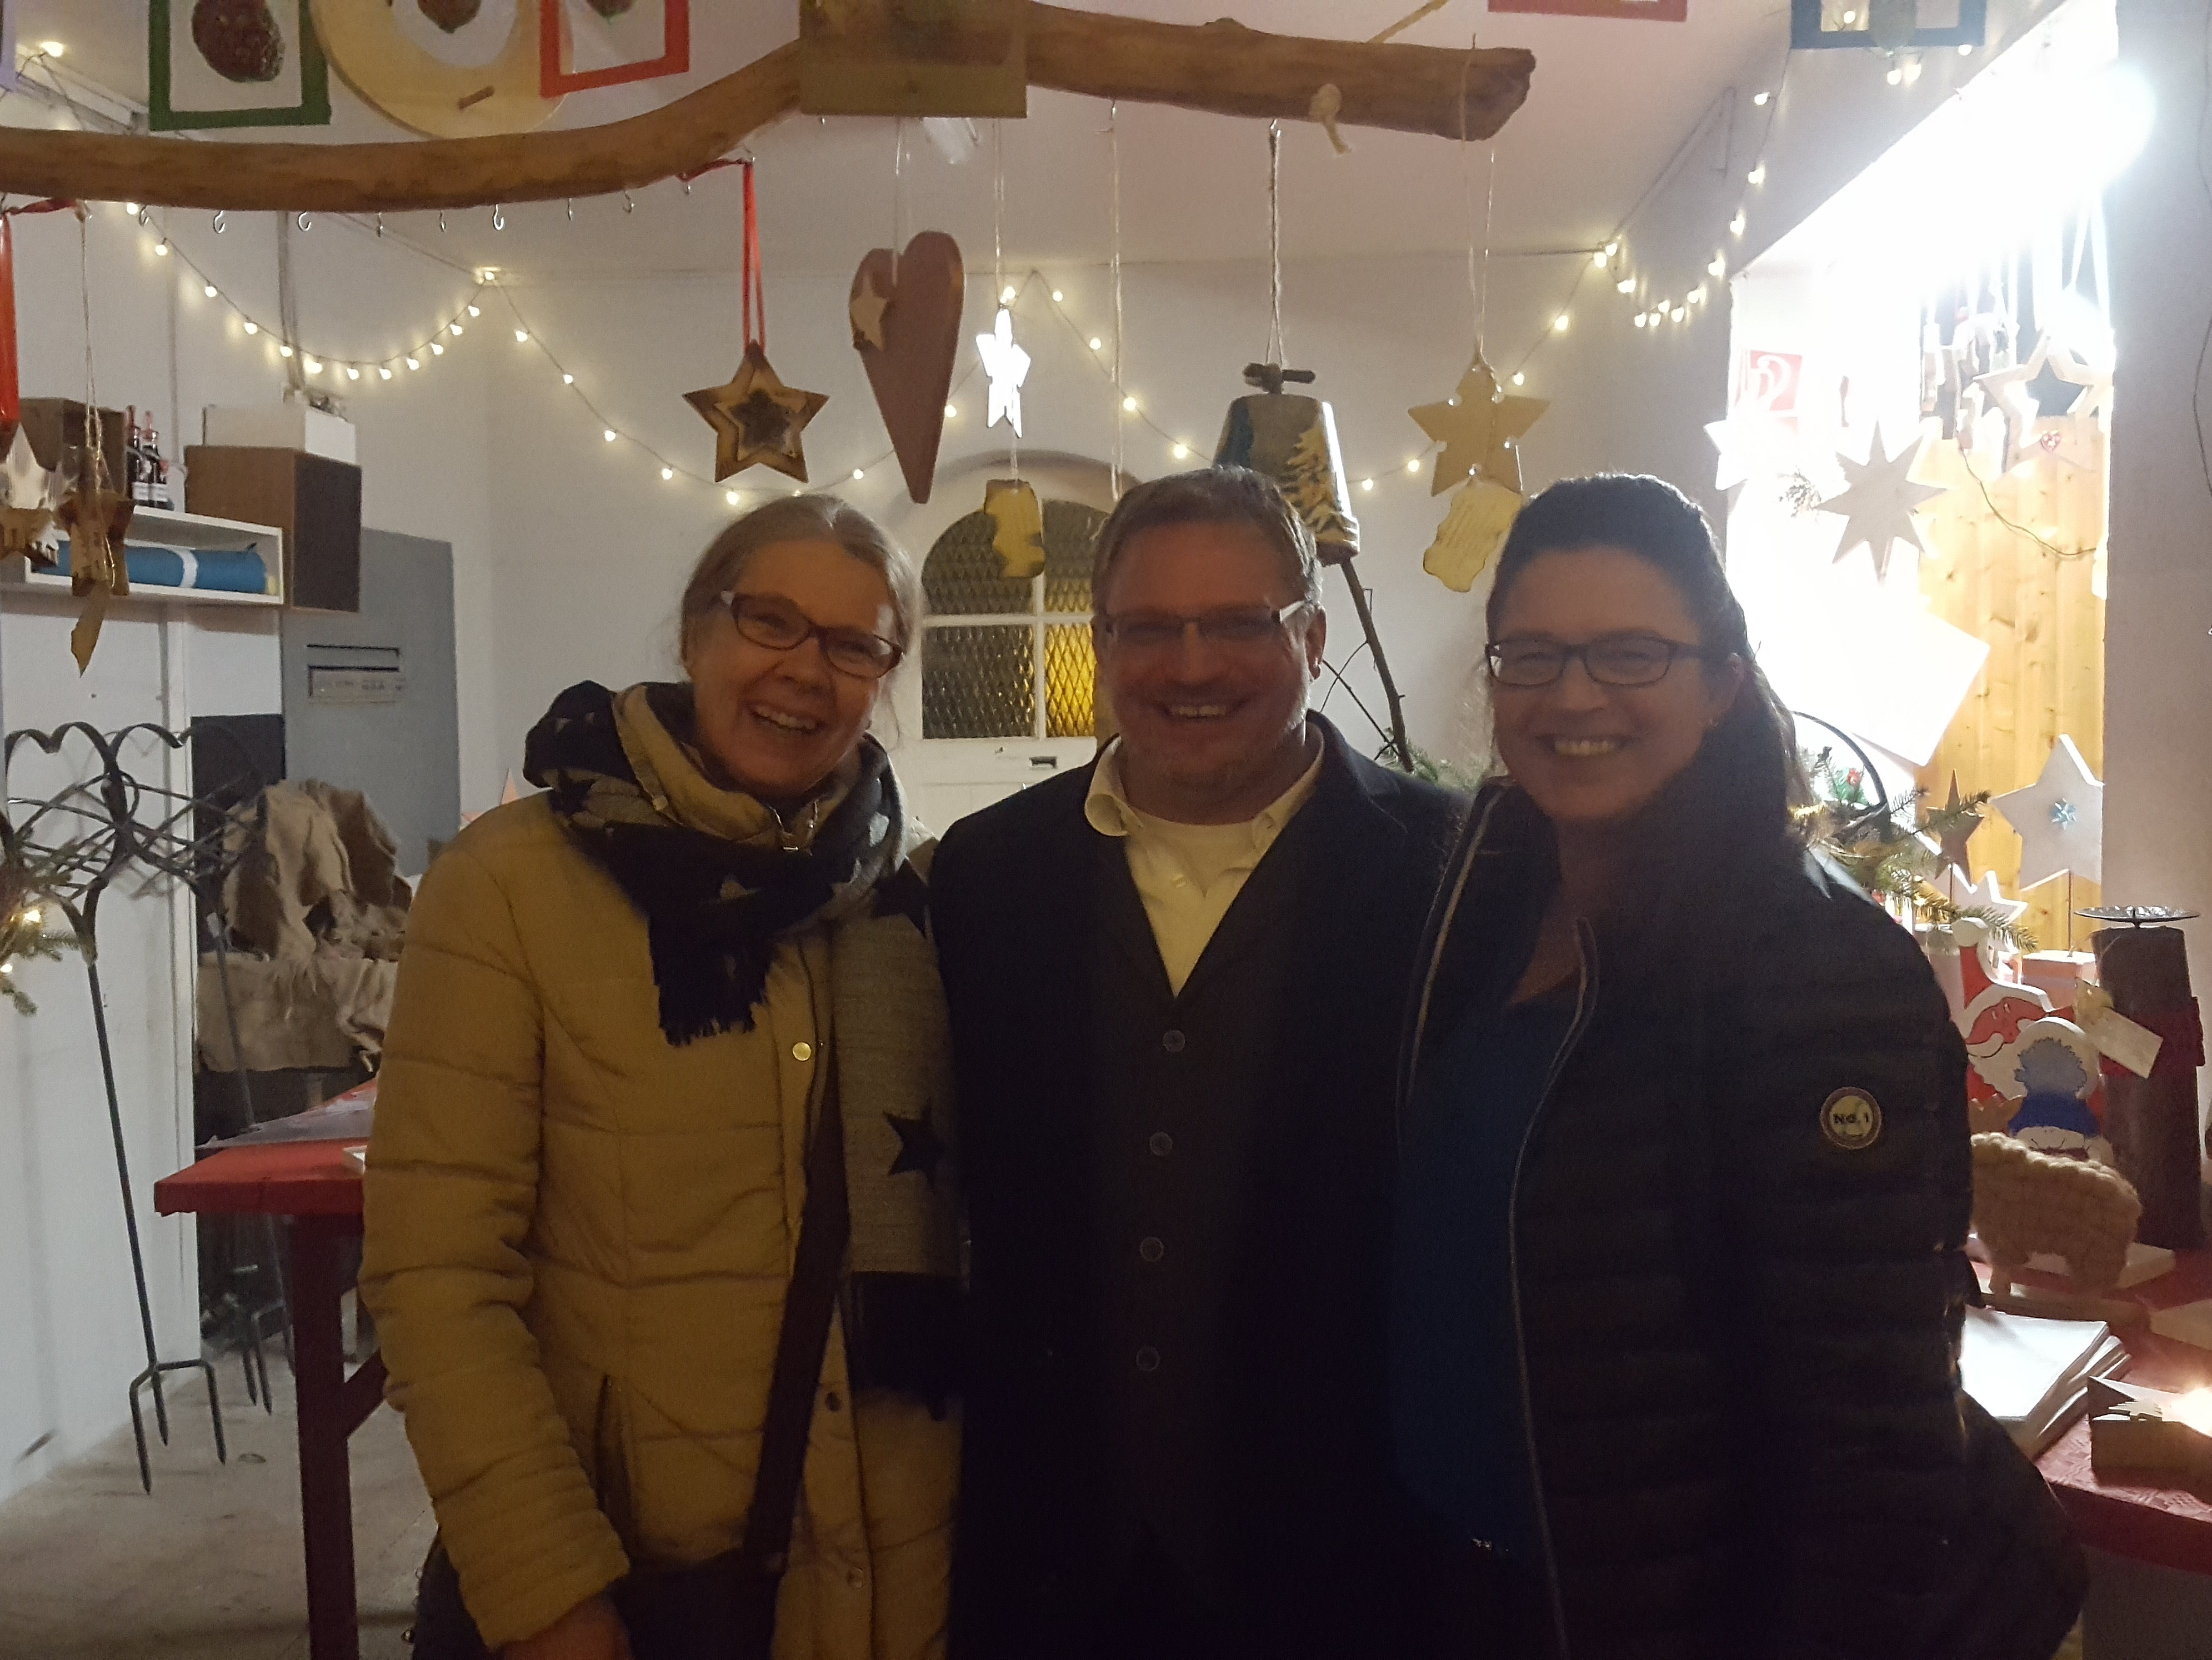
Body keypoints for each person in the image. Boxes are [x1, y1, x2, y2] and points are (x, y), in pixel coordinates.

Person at [1390, 472, 2085, 1659]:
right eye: (1531, 657)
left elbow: (1871, 1448)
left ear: (1720, 683)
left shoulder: (1814, 971)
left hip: (1674, 1613)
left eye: (1630, 654)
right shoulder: (1488, 892)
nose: (1573, 695)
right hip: (1486, 1582)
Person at [363, 496, 962, 1660]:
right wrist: (548, 1597)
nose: (805, 670)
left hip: (898, 1580)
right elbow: (437, 1278)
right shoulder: (509, 889)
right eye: (770, 621)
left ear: (886, 676)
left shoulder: (916, 899)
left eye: (853, 645)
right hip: (641, 1583)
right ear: (696, 632)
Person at [930, 468, 1464, 1659]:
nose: (1191, 667)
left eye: (1236, 624)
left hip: (1347, 1557)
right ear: (1103, 643)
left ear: (1310, 639)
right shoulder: (986, 875)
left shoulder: (1452, 872)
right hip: (1053, 1554)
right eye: (1149, 628)